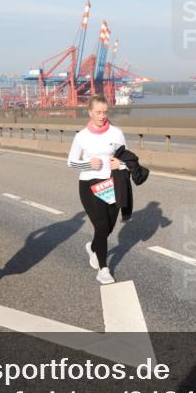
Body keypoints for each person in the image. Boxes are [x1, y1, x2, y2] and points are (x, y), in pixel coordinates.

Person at [67, 95, 127, 285]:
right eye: (98, 112)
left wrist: (121, 163)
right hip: (89, 184)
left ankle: (92, 247)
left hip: (112, 184)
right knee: (101, 226)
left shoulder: (116, 133)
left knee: (108, 227)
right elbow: (71, 162)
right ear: (90, 112)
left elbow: (127, 158)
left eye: (105, 112)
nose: (102, 116)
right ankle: (103, 269)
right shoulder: (82, 136)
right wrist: (87, 164)